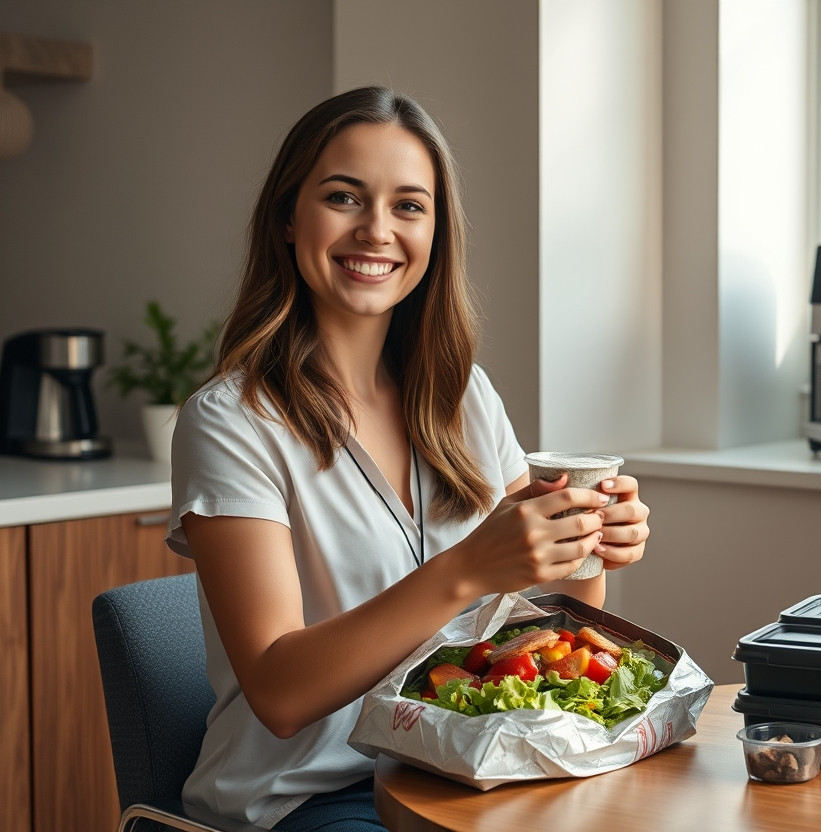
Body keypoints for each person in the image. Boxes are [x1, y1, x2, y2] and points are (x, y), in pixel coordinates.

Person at [164, 86, 651, 831]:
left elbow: (546, 630)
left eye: (408, 206)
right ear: (288, 218)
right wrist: (468, 569)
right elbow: (280, 693)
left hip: (465, 774)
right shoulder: (231, 422)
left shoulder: (465, 399)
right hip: (311, 800)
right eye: (343, 198)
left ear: (436, 234)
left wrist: (588, 549)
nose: (376, 231)